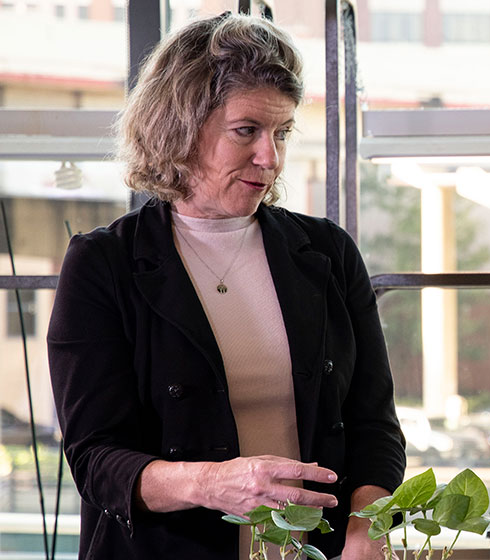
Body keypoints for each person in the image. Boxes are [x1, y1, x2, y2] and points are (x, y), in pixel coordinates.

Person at [46, 12, 405, 560]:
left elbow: (373, 424)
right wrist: (213, 484)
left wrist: (365, 528)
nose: (271, 157)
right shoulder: (104, 264)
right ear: (181, 128)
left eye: (281, 133)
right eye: (247, 132)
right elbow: (97, 460)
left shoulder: (327, 253)